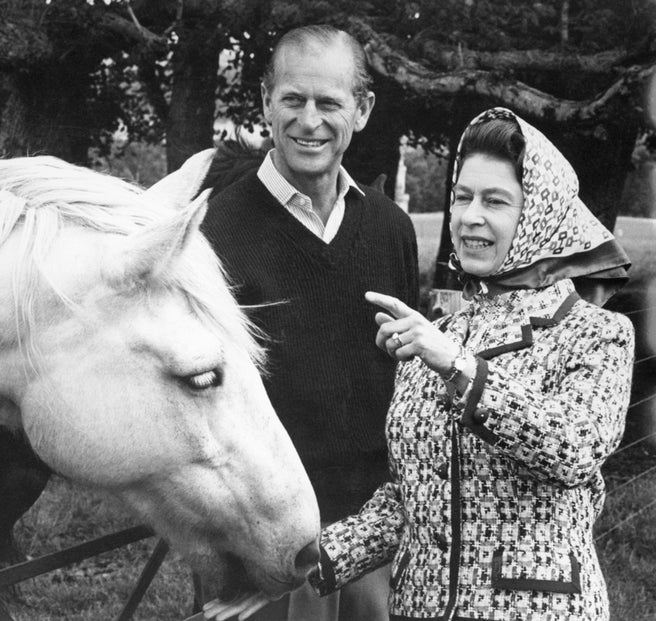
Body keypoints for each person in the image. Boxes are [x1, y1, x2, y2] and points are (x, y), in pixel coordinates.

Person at [205, 107, 634, 621]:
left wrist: (456, 364)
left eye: (495, 201)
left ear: (539, 214)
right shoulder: (435, 336)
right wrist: (300, 566)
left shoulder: (596, 333)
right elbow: (411, 501)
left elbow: (573, 449)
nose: (470, 216)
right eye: (462, 197)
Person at [200, 23, 420, 621]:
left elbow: (406, 380)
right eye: (293, 100)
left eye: (329, 102)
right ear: (267, 103)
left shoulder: (390, 229)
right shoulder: (218, 231)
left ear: (364, 109)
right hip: (267, 535)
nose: (309, 120)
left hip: (377, 526)